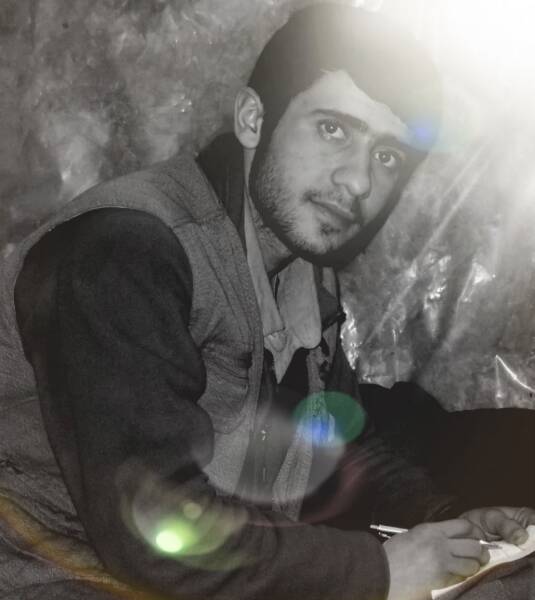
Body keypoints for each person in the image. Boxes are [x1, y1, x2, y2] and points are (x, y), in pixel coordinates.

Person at [0, 4, 533, 600]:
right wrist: (377, 572)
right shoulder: (123, 251)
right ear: (253, 120)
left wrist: (445, 523)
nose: (359, 182)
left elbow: (333, 447)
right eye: (333, 130)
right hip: (50, 575)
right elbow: (153, 533)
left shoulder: (301, 267)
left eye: (387, 156)